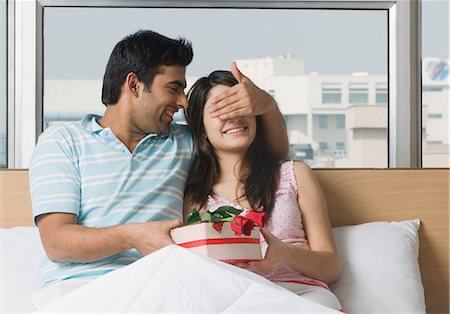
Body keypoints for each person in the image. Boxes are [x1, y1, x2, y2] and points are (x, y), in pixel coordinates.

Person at [29, 30, 289, 309]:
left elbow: (272, 155)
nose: (183, 102)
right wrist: (134, 235)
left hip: (162, 285)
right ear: (134, 85)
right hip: (80, 289)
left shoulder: (183, 142)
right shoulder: (63, 142)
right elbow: (56, 242)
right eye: (174, 88)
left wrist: (267, 106)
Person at [184, 70, 343, 311]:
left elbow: (332, 268)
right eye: (220, 110)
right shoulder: (196, 201)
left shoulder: (295, 175)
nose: (234, 117)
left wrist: (287, 254)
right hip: (241, 301)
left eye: (239, 106)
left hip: (303, 296)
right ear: (202, 129)